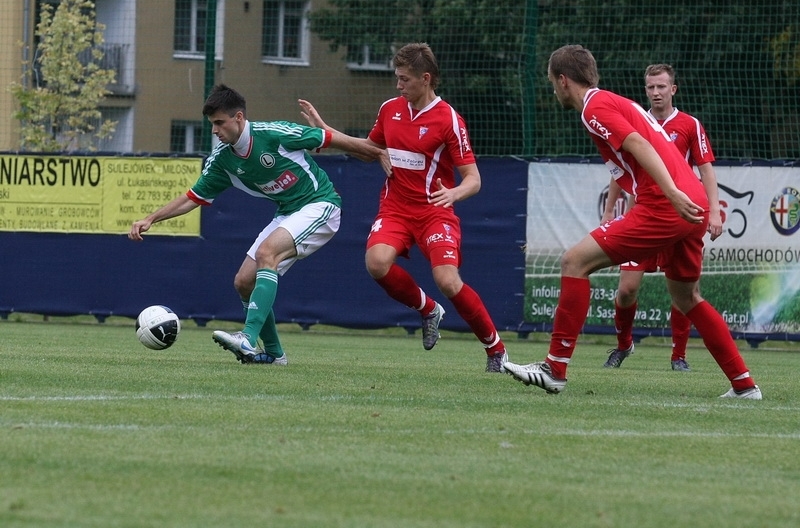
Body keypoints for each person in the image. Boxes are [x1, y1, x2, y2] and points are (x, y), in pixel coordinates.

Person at [503, 45, 761, 399]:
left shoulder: (593, 107)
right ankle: (745, 385)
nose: (552, 89)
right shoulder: (610, 101)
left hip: (665, 204)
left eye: (551, 82)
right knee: (688, 297)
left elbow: (638, 143)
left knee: (574, 262)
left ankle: (554, 368)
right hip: (693, 201)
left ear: (563, 81)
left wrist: (668, 192)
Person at [129, 84, 384, 365]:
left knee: (267, 254)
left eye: (219, 123)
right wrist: (151, 218)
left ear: (238, 118)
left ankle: (248, 338)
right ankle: (275, 354)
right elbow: (192, 198)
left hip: (321, 204)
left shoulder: (274, 134)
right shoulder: (222, 160)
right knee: (244, 282)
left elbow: (331, 139)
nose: (215, 131)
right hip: (288, 213)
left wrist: (375, 150)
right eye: (212, 124)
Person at [298, 42, 509, 372]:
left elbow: (474, 179)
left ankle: (495, 349)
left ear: (425, 79)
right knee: (376, 262)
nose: (398, 85)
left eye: (404, 79)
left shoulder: (449, 120)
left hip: (434, 212)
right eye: (397, 78)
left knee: (448, 281)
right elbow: (370, 150)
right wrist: (327, 134)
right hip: (395, 209)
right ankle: (427, 310)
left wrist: (454, 194)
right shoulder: (389, 110)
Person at [601, 63, 722, 372]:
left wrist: (714, 212)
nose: (655, 92)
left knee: (683, 293)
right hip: (641, 214)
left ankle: (678, 356)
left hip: (678, 218)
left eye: (661, 86)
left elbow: (706, 169)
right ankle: (623, 345)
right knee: (627, 289)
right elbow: (620, 170)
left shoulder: (689, 125)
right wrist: (608, 212)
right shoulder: (634, 121)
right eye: (650, 87)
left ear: (673, 89)